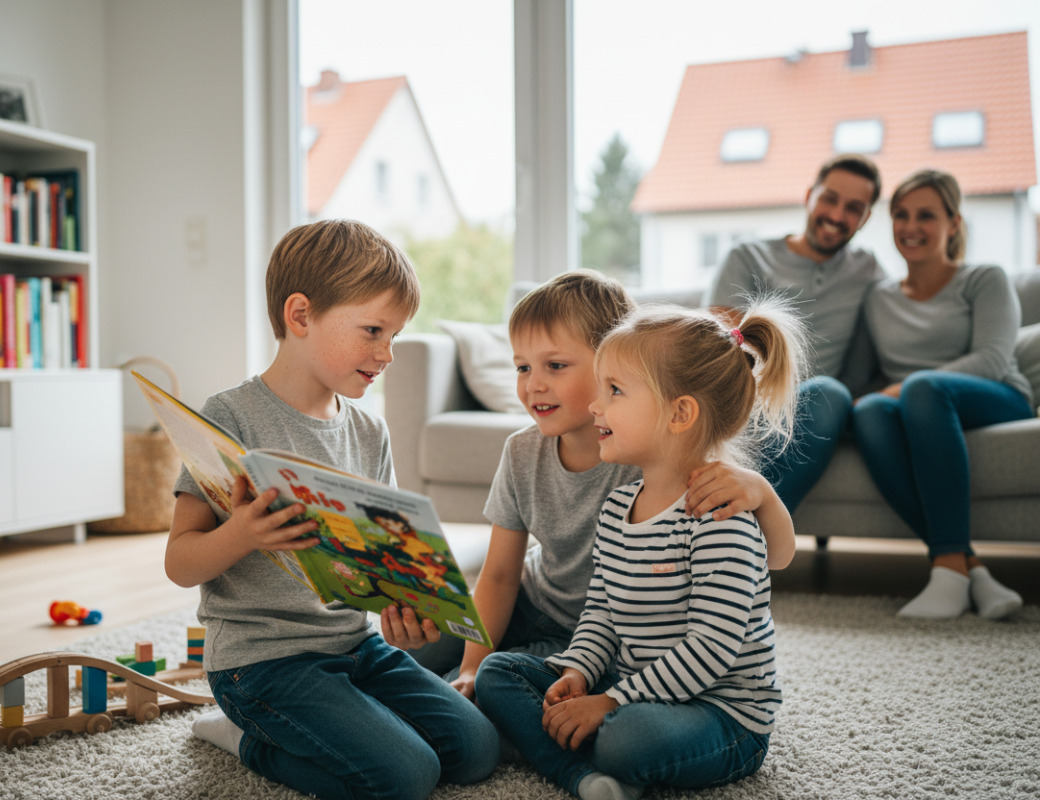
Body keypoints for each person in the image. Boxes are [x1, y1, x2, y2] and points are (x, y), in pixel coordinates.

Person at [166, 219, 499, 800]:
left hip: (354, 646)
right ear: (300, 316)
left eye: (394, 336)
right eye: (373, 330)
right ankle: (246, 739)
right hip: (261, 664)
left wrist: (405, 608)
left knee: (476, 751)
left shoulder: (369, 431)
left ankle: (339, 720)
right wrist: (242, 533)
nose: (387, 353)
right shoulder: (230, 417)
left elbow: (383, 558)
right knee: (405, 776)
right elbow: (180, 562)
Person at [383, 270, 797, 702]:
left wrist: (761, 491)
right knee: (415, 645)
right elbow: (501, 575)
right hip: (533, 601)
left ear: (611, 365)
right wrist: (469, 668)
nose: (533, 384)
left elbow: (772, 558)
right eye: (522, 367)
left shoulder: (646, 455)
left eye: (555, 366)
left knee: (500, 684)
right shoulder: (521, 451)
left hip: (605, 633)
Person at [474, 296, 807, 800]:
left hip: (720, 712)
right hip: (635, 684)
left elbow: (712, 648)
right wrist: (579, 671)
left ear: (679, 414)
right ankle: (581, 776)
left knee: (625, 741)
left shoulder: (721, 516)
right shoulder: (619, 505)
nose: (595, 405)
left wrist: (611, 701)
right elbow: (602, 611)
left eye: (614, 391)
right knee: (499, 672)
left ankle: (561, 750)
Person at [851, 169, 1034, 620]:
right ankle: (966, 568)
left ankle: (951, 572)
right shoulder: (878, 297)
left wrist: (906, 385)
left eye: (926, 216)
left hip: (996, 401)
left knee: (922, 388)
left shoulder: (984, 279)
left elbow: (992, 359)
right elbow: (858, 382)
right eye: (901, 215)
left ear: (953, 223)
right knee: (870, 410)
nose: (911, 227)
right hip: (915, 408)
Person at [707, 153, 884, 513]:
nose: (836, 216)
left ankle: (744, 539)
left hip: (817, 413)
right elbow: (719, 352)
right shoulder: (748, 257)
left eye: (853, 208)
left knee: (831, 394)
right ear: (809, 196)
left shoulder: (869, 271)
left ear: (865, 218)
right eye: (829, 199)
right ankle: (749, 540)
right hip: (749, 403)